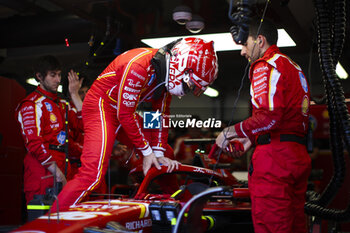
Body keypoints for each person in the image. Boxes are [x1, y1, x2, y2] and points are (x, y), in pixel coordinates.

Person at [51, 37, 219, 211]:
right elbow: (125, 114)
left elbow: (159, 116)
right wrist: (147, 152)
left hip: (123, 111)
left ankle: (179, 208)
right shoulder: (139, 65)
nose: (188, 90)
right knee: (92, 175)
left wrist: (158, 152)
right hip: (101, 107)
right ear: (181, 66)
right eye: (191, 84)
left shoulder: (163, 77)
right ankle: (51, 222)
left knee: (165, 154)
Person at [216, 18, 311, 233]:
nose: (242, 52)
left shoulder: (265, 65)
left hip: (275, 162)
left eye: (244, 44)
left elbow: (269, 117)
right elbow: (282, 118)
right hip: (296, 156)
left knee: (271, 227)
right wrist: (251, 137)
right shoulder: (293, 66)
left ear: (260, 40)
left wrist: (229, 132)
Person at [15, 55, 84, 205]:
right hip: (41, 175)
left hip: (64, 172)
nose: (58, 80)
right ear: (39, 76)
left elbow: (84, 125)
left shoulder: (62, 103)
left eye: (59, 74)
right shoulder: (31, 104)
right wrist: (57, 172)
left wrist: (74, 94)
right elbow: (34, 143)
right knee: (42, 225)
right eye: (53, 75)